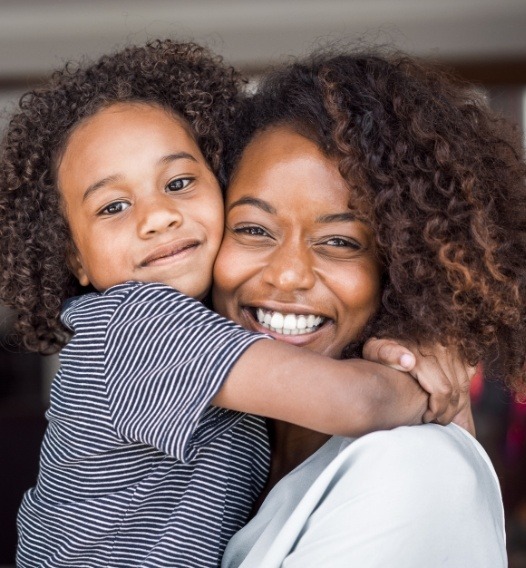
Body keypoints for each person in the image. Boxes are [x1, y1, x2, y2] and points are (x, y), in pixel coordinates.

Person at [0, 40, 463, 567]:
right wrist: (424, 381)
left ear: (218, 185)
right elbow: (358, 403)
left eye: (178, 182)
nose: (157, 216)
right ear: (75, 260)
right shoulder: (134, 324)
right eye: (113, 206)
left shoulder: (220, 345)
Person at [216, 49, 526, 567]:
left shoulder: (415, 467)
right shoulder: (225, 453)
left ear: (404, 269)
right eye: (252, 229)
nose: (288, 274)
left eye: (339, 241)